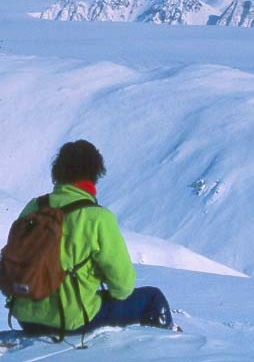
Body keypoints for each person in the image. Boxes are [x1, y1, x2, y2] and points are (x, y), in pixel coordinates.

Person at [11, 139, 177, 337]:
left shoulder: (34, 207)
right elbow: (123, 287)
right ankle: (165, 347)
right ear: (94, 174)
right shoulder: (98, 218)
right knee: (152, 298)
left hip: (26, 318)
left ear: (58, 172)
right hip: (71, 320)